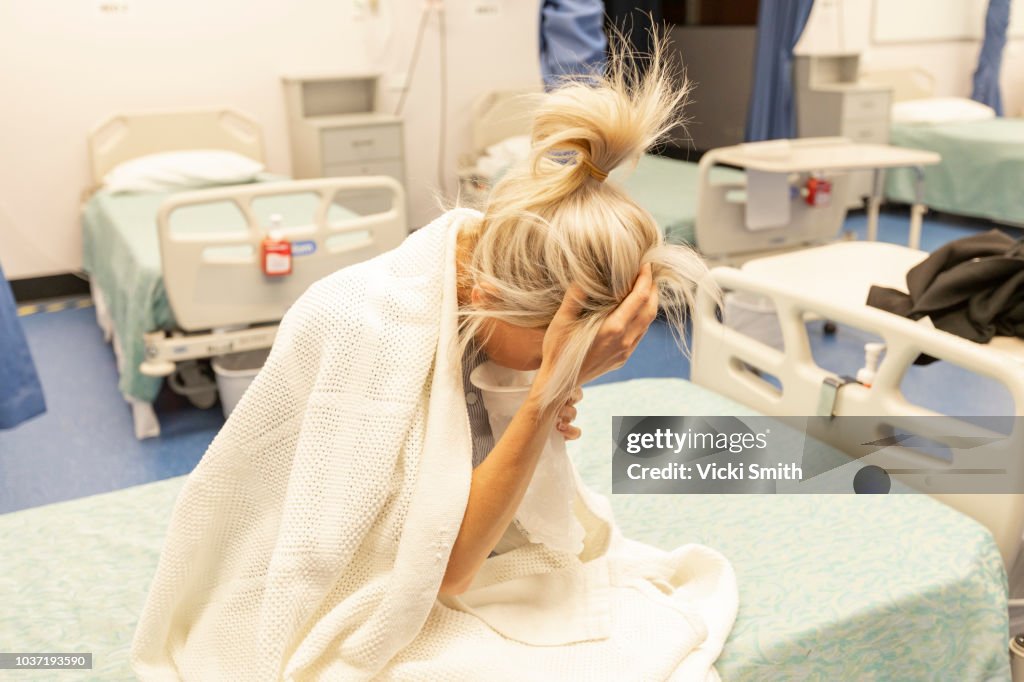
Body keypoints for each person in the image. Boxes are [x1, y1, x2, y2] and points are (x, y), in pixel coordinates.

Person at [132, 33, 737, 681]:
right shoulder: (361, 329)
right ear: (487, 295)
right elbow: (443, 569)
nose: (550, 369)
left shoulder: (492, 280)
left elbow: (496, 440)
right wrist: (541, 396)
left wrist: (553, 384)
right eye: (550, 353)